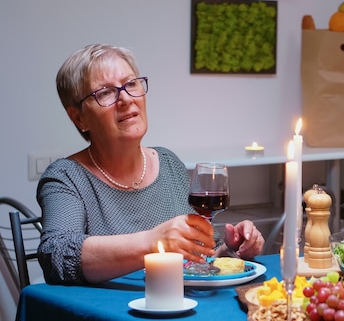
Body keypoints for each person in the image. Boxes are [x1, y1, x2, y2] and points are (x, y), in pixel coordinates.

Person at [37, 44, 265, 284]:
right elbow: (57, 256)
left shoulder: (168, 164)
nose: (125, 98)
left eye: (131, 84)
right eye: (105, 92)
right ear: (79, 117)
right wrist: (153, 242)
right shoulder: (66, 177)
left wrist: (232, 251)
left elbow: (201, 258)